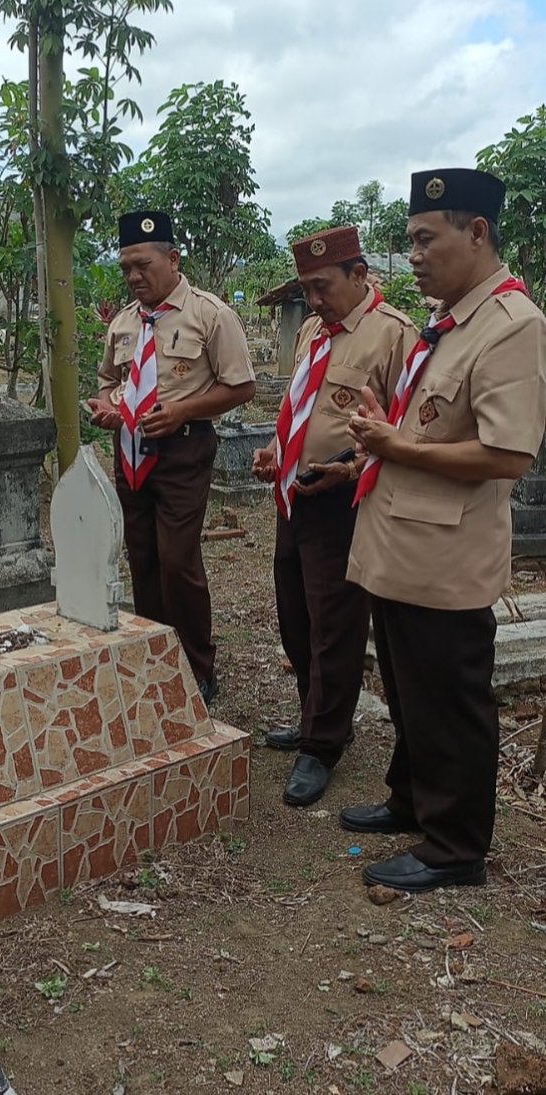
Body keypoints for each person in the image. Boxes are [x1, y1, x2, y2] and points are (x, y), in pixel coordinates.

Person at [342, 168, 546, 893]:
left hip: (446, 553)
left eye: (427, 240)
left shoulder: (512, 326)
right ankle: (412, 800)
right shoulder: (453, 317)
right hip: (403, 540)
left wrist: (401, 447)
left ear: (478, 232)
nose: (416, 255)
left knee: (450, 697)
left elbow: (508, 452)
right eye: (410, 241)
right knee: (408, 685)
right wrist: (390, 428)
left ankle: (456, 846)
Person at [253, 227, 417, 806]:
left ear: (358, 274)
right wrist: (277, 449)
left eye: (323, 287)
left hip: (345, 503)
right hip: (295, 497)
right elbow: (299, 402)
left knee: (336, 628)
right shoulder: (310, 331)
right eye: (306, 288)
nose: (314, 299)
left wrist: (348, 469)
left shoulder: (394, 336)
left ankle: (323, 745)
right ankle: (315, 715)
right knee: (296, 620)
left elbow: (408, 432)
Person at [88, 211, 255, 701]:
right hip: (131, 451)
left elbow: (241, 385)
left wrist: (183, 411)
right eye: (126, 269)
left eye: (143, 265)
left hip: (182, 451)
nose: (134, 277)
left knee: (178, 560)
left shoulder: (209, 314)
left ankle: (198, 666)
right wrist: (109, 406)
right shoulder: (123, 323)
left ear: (173, 258)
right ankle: (155, 655)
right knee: (141, 556)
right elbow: (108, 380)